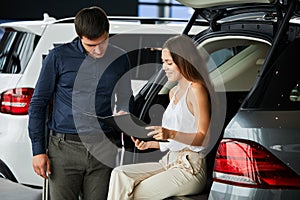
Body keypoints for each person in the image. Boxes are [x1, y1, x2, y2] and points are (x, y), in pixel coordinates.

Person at [28, 6, 133, 200]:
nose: (99, 49)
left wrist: (124, 112)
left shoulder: (120, 58)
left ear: (108, 33)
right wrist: (38, 151)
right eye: (91, 45)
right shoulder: (58, 57)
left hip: (104, 147)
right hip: (64, 149)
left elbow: (126, 97)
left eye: (103, 42)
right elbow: (38, 104)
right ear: (80, 37)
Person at [107, 35, 213, 199]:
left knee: (133, 193)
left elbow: (204, 138)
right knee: (119, 174)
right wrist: (151, 144)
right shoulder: (173, 92)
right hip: (169, 161)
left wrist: (170, 133)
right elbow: (177, 139)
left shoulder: (196, 90)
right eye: (163, 62)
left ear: (184, 61)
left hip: (190, 167)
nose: (164, 67)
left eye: (169, 63)